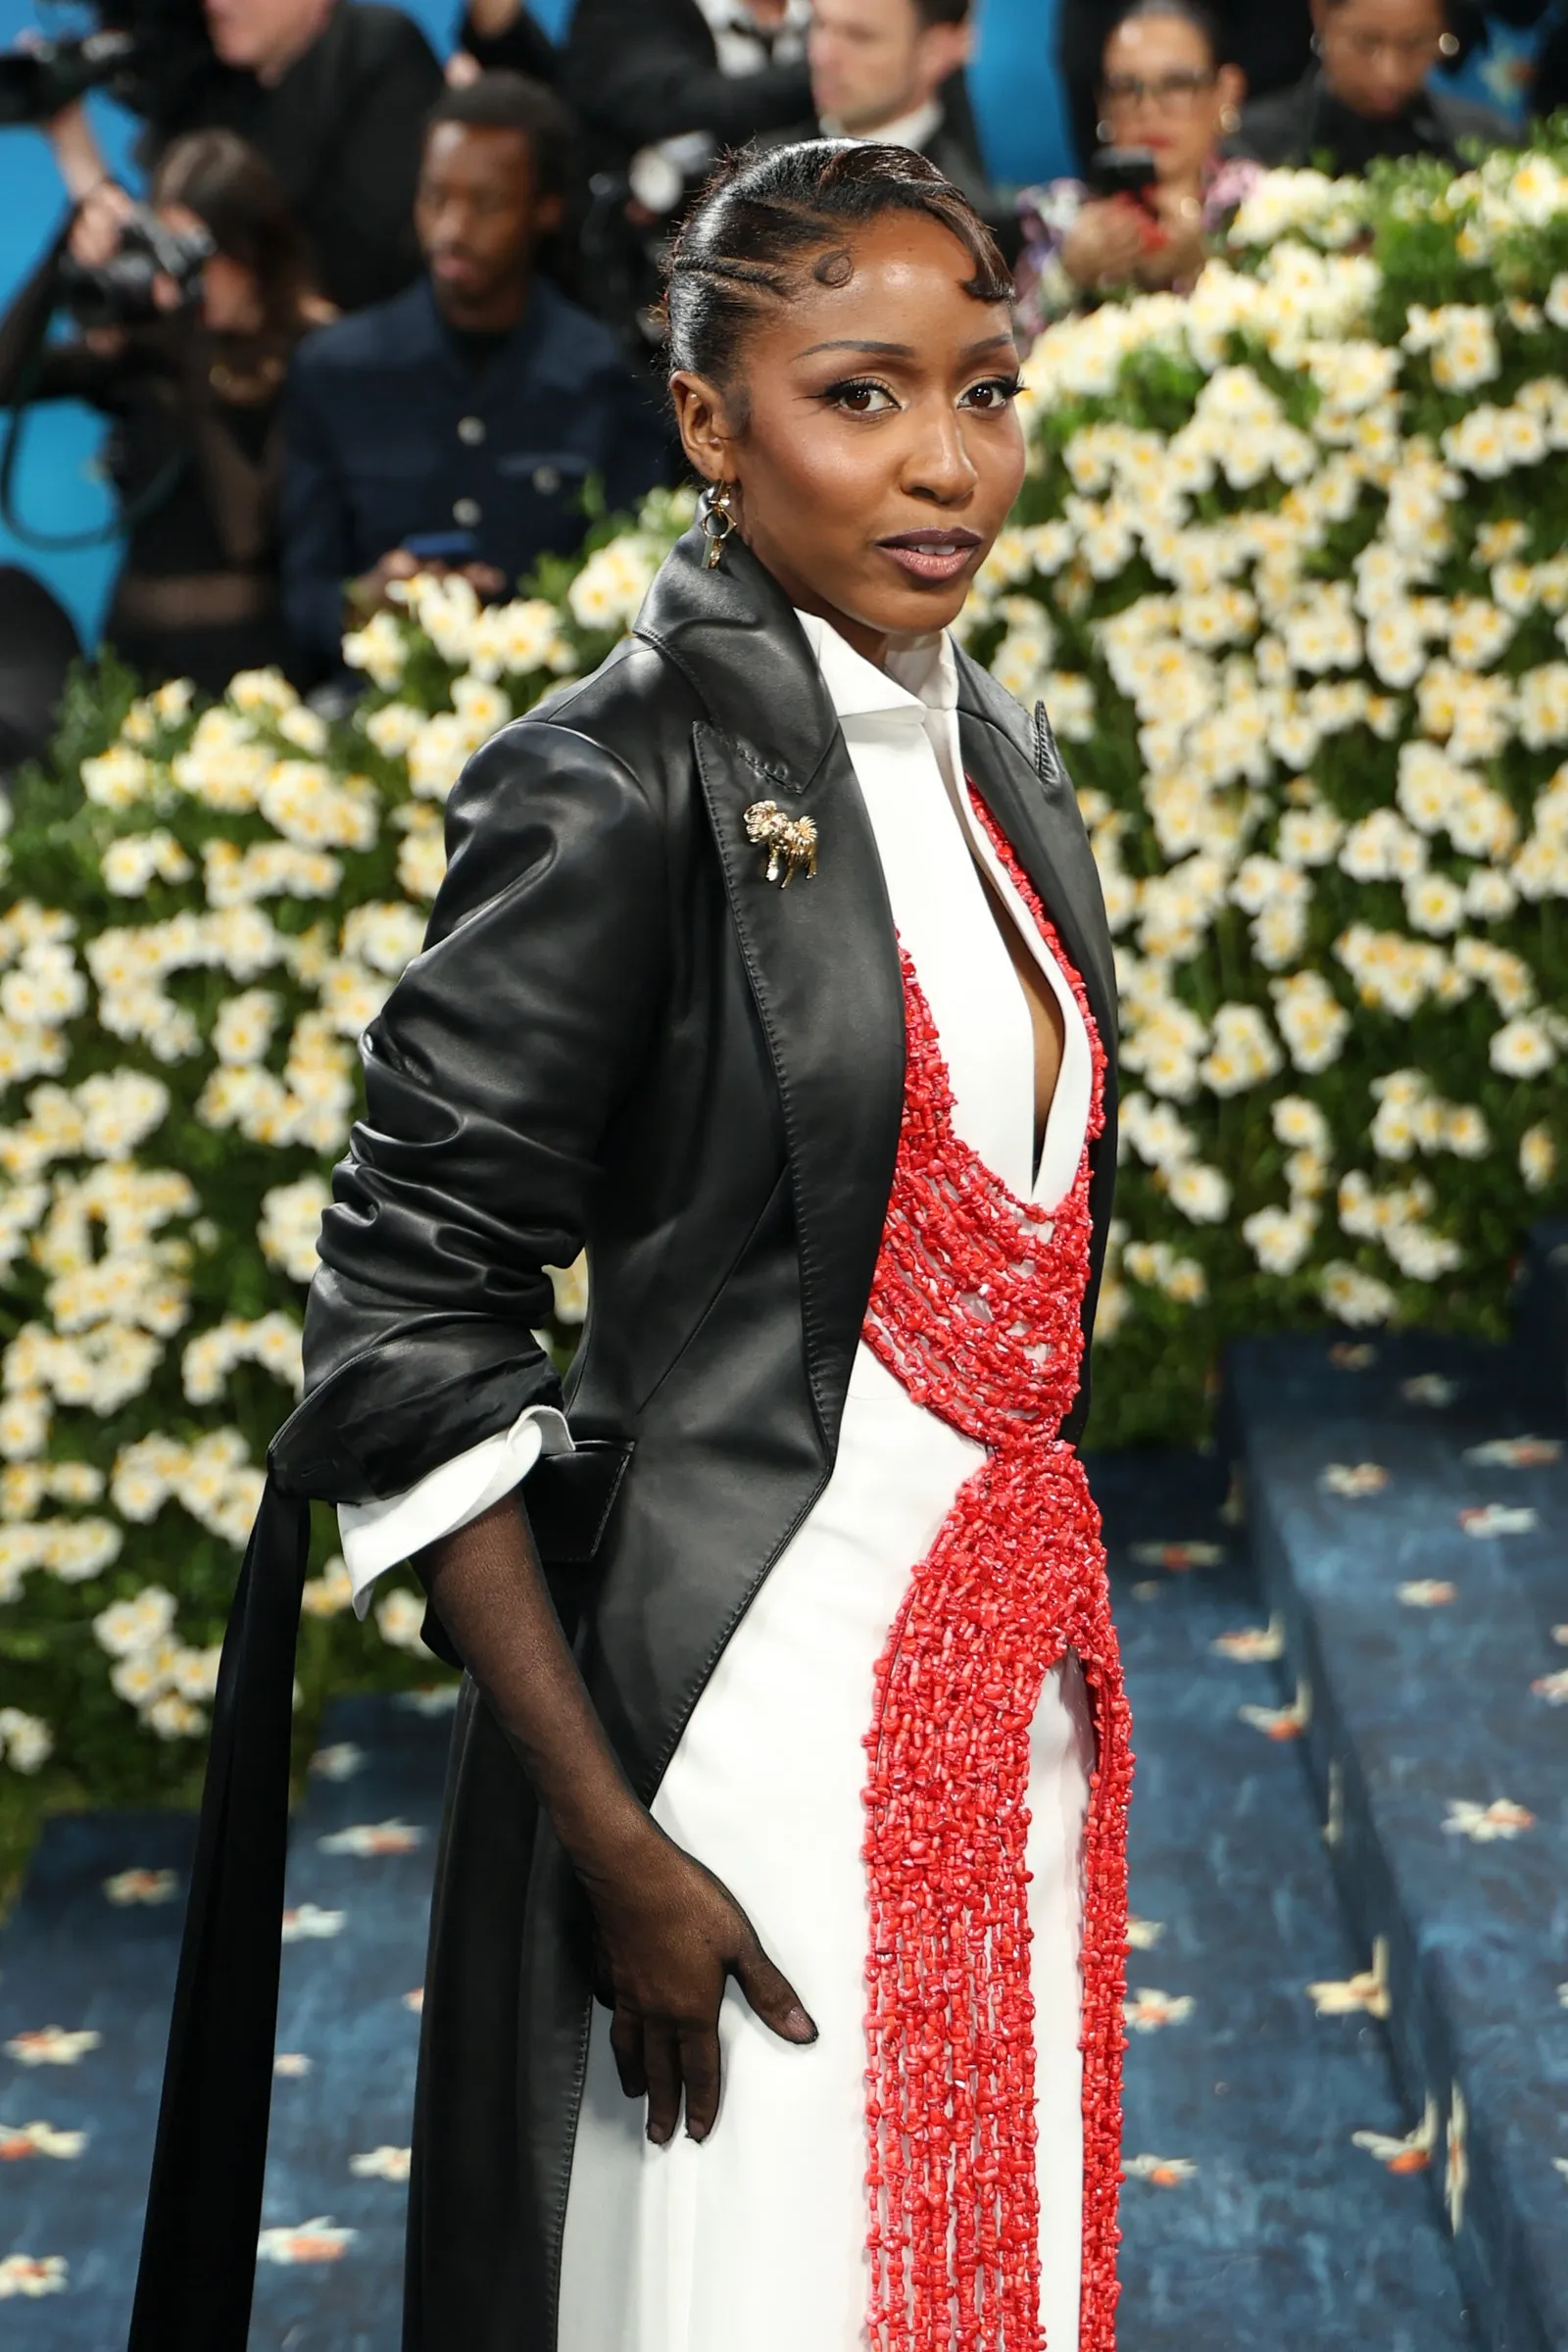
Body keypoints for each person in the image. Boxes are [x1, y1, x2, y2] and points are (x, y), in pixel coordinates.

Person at [128, 139, 1130, 2352]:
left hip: (1017, 1732)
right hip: (734, 1773)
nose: (947, 462)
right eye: (859, 396)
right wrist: (612, 1838)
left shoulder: (999, 749)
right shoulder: (609, 777)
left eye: (985, 388)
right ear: (705, 421)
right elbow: (402, 1330)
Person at [281, 73, 669, 677]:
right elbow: (301, 601)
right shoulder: (336, 370)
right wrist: (363, 602)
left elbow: (645, 594)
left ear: (546, 209)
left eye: (485, 205)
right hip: (376, 712)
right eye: (435, 198)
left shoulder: (605, 376)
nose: (452, 230)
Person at [0, 130, 329, 693]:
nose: (181, 281)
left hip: (250, 660)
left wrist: (189, 372)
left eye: (197, 255)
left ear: (250, 247)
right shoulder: (152, 341)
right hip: (136, 650)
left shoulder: (312, 351)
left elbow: (249, 532)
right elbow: (9, 379)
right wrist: (62, 256)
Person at [48, 0, 444, 315]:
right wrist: (74, 145)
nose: (216, 4)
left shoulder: (375, 48)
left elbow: (360, 270)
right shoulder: (210, 84)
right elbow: (165, 267)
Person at [1016, 0, 1259, 340]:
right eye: (1126, 88)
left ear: (1226, 93)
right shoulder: (1061, 220)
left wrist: (1207, 265)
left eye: (1176, 85)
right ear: (1102, 106)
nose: (1148, 108)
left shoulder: (1259, 208)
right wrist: (1068, 278)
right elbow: (1003, 353)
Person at [767, 0, 999, 224]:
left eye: (859, 36)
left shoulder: (962, 227)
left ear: (935, 51)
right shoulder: (760, 169)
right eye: (819, 24)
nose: (821, 56)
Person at [1236, 0, 1508, 172]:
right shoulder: (1252, 149)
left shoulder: (1486, 143)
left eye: (1415, 44)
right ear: (1321, 14)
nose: (1391, 74)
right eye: (1367, 41)